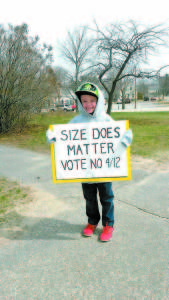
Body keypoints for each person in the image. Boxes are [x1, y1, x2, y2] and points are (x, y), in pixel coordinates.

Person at [46, 82, 133, 242]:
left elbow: (119, 134)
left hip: (104, 169)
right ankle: (92, 221)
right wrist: (52, 136)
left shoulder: (106, 120)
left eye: (92, 100)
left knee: (107, 197)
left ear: (98, 101)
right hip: (85, 169)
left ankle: (108, 224)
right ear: (80, 102)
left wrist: (127, 137)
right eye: (84, 101)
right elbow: (63, 138)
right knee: (89, 198)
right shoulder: (76, 121)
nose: (88, 104)